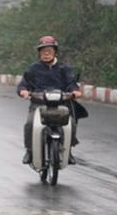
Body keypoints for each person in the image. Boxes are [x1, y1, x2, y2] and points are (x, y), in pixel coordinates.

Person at [17, 36, 82, 165]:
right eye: (43, 51)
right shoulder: (33, 69)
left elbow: (71, 84)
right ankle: (30, 151)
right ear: (39, 53)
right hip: (38, 104)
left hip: (60, 104)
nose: (46, 53)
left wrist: (75, 91)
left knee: (72, 124)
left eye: (49, 50)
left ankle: (68, 150)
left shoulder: (64, 68)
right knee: (30, 124)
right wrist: (23, 91)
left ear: (55, 52)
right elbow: (24, 84)